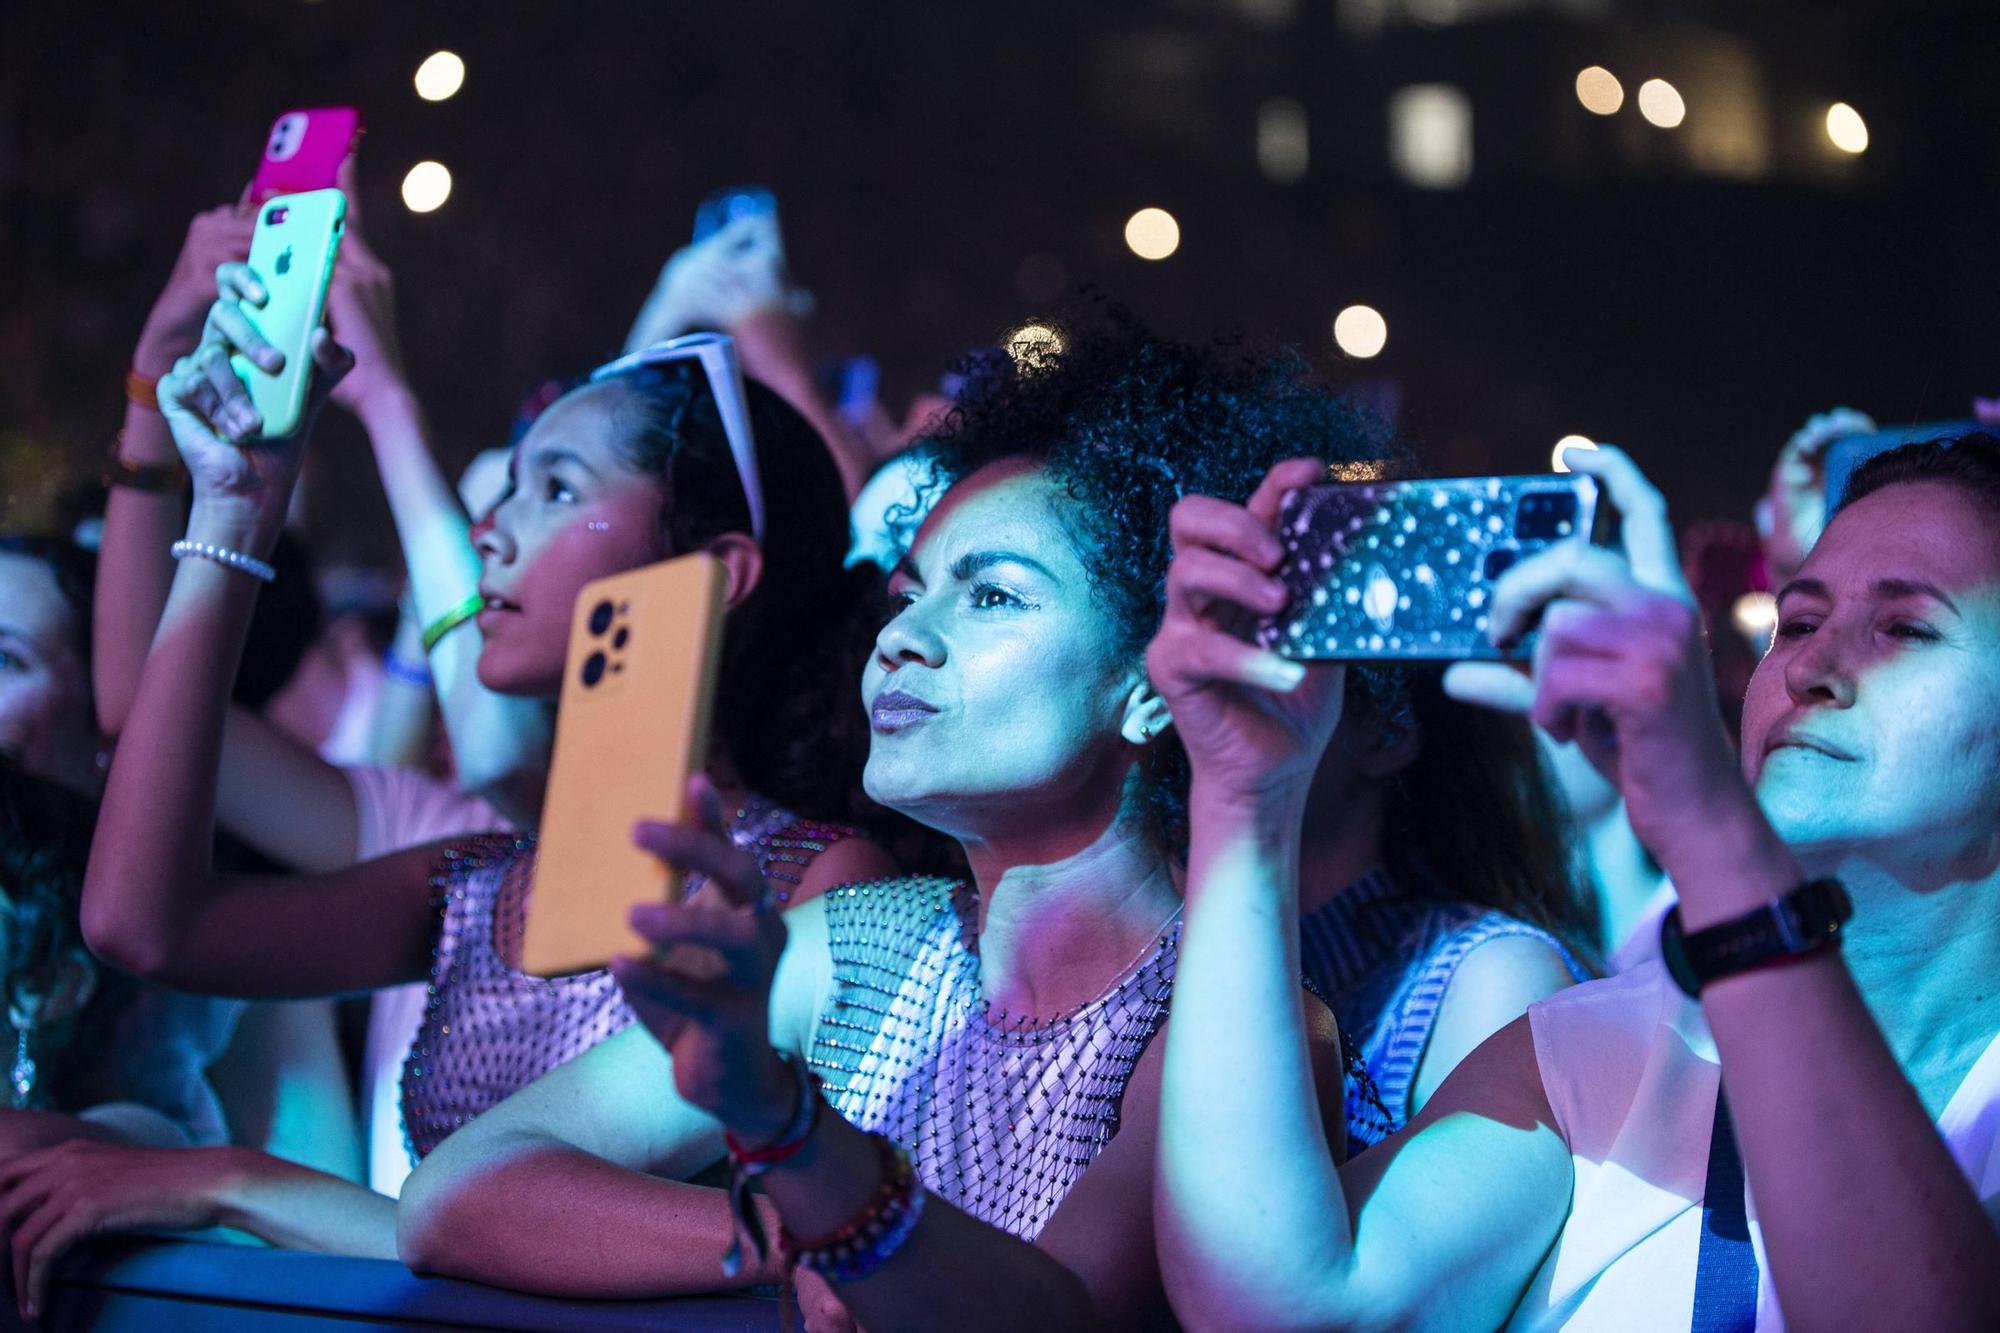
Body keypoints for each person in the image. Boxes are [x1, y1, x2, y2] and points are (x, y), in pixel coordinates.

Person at [394, 315, 1367, 1329]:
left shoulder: (1232, 1025)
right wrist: (800, 1236)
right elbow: (456, 1194)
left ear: (1150, 688)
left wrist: (802, 1153)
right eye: (908, 594)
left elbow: (1055, 1316)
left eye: (990, 595)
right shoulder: (859, 945)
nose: (904, 637)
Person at [60, 250, 892, 1274]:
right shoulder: (474, 882)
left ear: (715, 570)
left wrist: (233, 1178)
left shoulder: (825, 889)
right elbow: (141, 925)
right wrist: (236, 511)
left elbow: (834, 1256)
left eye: (555, 486)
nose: (490, 529)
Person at [1153, 435, 2000, 1331]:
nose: (1809, 669)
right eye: (1798, 621)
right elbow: (1293, 1303)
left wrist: (1709, 824)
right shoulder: (1609, 1048)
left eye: (1905, 628)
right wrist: (1247, 794)